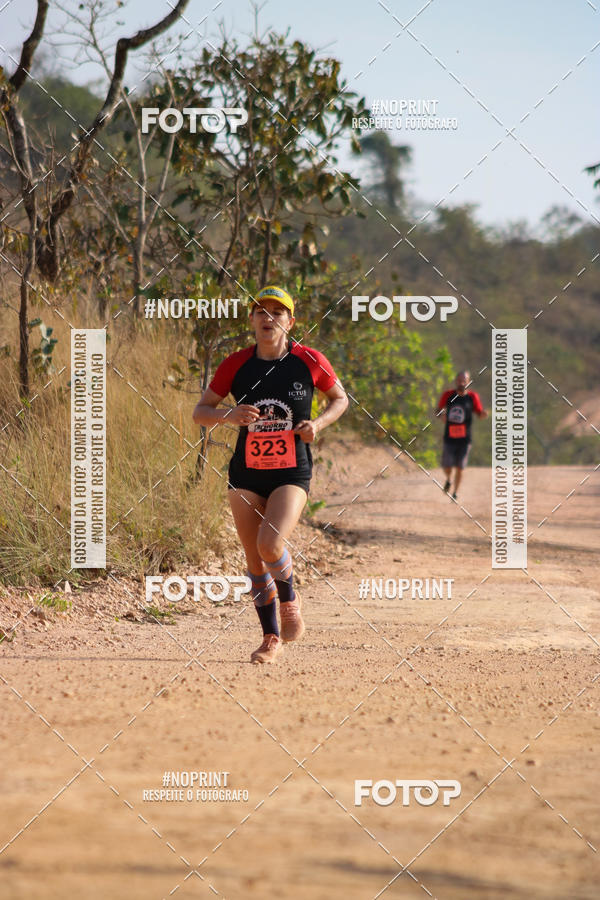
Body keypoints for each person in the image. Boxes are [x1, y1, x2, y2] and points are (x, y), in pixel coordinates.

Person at [192, 285, 348, 664]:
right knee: (253, 558)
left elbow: (340, 398)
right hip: (245, 472)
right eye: (261, 311)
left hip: (291, 470)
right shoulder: (236, 364)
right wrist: (228, 415)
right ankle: (270, 638)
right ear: (252, 320)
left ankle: (290, 600)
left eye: (277, 312)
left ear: (290, 322)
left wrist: (319, 424)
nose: (268, 318)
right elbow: (201, 411)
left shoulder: (308, 360)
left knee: (270, 544)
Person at [438, 370, 488, 501]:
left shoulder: (472, 397)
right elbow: (439, 409)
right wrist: (442, 415)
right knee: (447, 466)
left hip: (465, 439)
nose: (461, 382)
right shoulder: (448, 395)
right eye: (459, 380)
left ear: (468, 381)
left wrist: (483, 414)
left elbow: (479, 413)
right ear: (456, 381)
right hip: (449, 437)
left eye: (464, 380)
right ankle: (449, 479)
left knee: (460, 467)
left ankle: (455, 493)